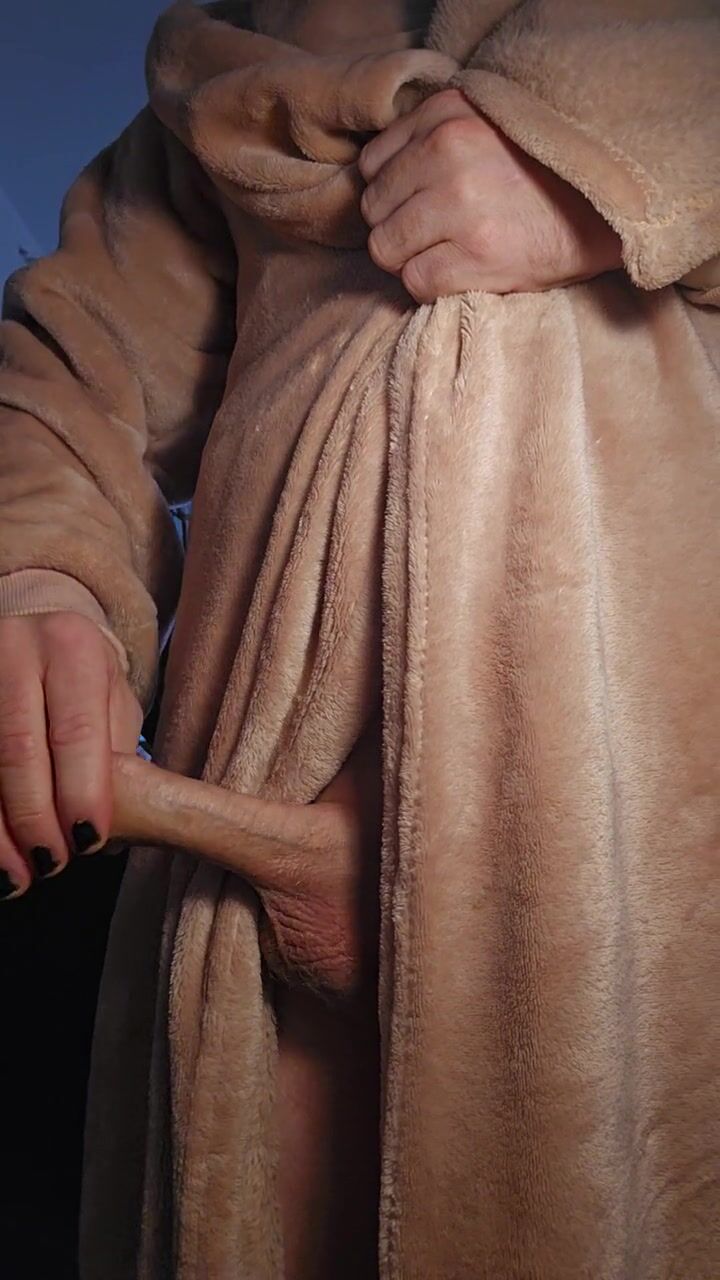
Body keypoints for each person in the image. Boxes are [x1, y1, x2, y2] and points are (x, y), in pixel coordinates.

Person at [0, 2, 718, 1277]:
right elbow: (72, 369)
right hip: (245, 848)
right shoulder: (225, 64)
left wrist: (620, 165)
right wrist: (40, 580)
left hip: (654, 848)